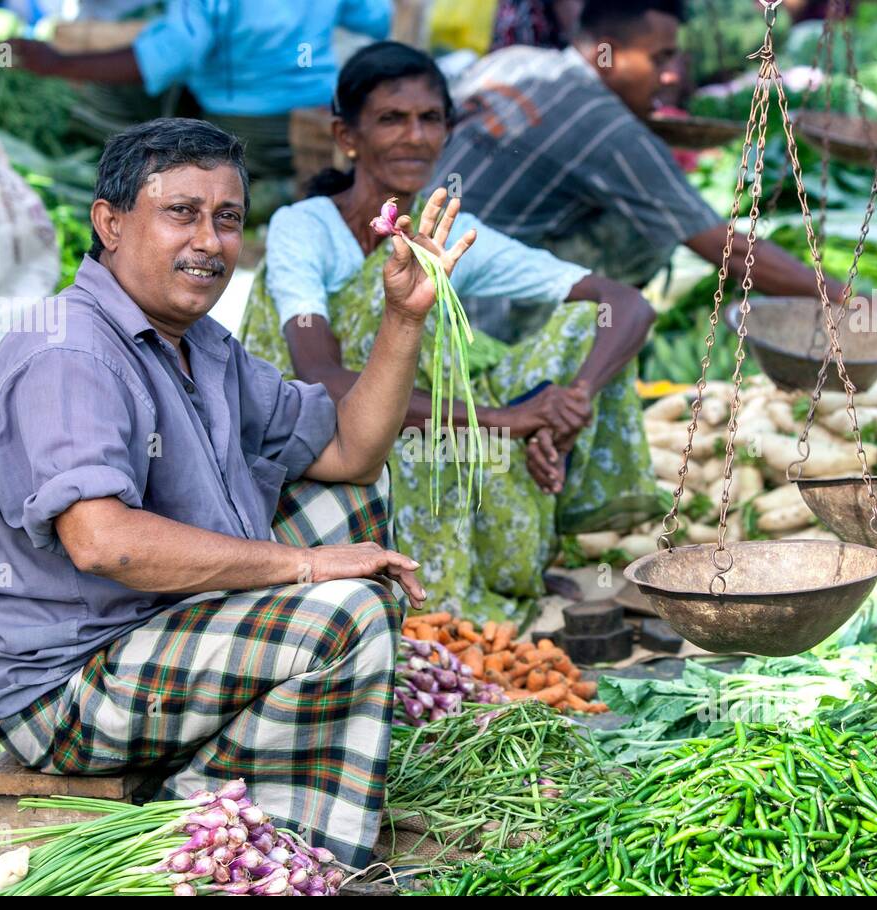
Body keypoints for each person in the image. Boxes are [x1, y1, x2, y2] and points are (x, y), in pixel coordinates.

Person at [0, 117, 475, 867]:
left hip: (158, 633)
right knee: (346, 607)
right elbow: (105, 541)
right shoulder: (67, 352)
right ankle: (252, 843)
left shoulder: (201, 343)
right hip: (68, 687)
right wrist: (303, 567)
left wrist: (403, 316)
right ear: (110, 222)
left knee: (351, 506)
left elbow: (353, 454)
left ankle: (212, 776)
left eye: (226, 219)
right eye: (181, 213)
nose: (209, 242)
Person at [239, 42, 661, 625]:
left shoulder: (451, 234)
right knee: (403, 297)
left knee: (587, 322)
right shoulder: (303, 229)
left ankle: (542, 489)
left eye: (429, 119)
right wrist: (507, 419)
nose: (414, 136)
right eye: (391, 118)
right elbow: (323, 380)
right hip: (318, 441)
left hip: (432, 425)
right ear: (347, 136)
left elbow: (626, 303)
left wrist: (570, 404)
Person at [434, 0, 846, 342]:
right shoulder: (606, 126)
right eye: (659, 59)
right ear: (608, 54)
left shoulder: (513, 60)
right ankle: (543, 342)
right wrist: (843, 297)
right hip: (465, 309)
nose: (671, 76)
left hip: (404, 258)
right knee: (654, 229)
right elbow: (724, 246)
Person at [6, 1, 392, 183]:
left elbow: (173, 53)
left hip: (246, 125)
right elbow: (376, 16)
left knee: (105, 98)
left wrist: (58, 64)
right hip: (320, 110)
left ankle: (254, 183)